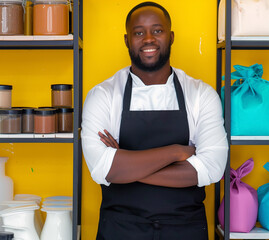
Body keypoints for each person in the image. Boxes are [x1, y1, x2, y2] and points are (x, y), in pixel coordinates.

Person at [81, 2, 228, 239]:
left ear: (171, 37)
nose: (148, 38)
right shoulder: (103, 95)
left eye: (157, 31)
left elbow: (211, 168)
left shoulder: (201, 94)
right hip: (120, 229)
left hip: (186, 229)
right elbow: (102, 169)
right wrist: (176, 152)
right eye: (138, 32)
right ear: (127, 40)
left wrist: (124, 164)